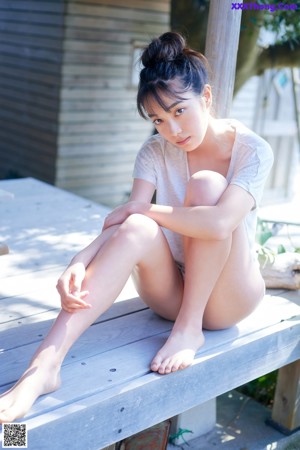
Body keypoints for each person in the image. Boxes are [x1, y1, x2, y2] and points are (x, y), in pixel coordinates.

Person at [0, 31, 273, 423]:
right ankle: (43, 367)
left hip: (230, 297)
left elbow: (218, 224)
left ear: (207, 98)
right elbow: (129, 221)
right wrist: (82, 257)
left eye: (180, 111)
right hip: (172, 292)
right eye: (158, 120)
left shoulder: (251, 149)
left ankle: (189, 329)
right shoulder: (154, 151)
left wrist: (143, 208)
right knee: (138, 229)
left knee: (207, 186)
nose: (172, 130)